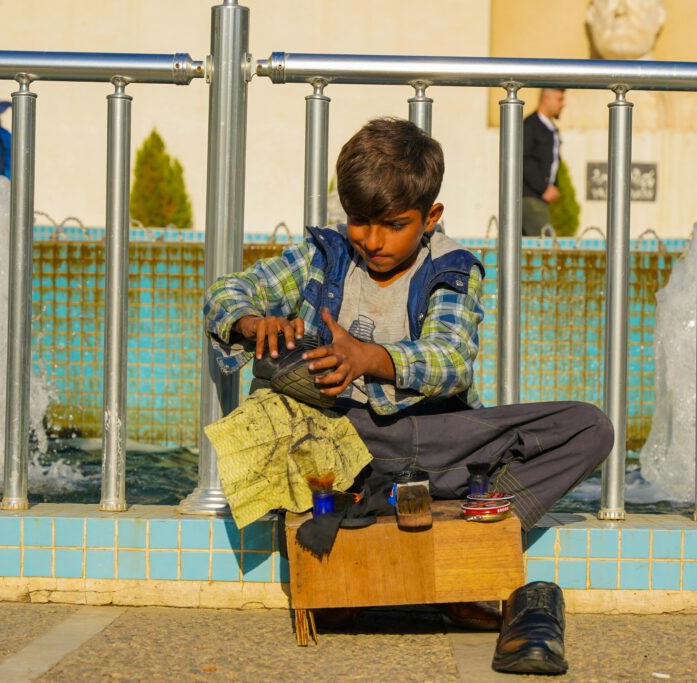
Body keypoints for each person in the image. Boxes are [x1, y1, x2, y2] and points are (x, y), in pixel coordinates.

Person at [204, 117, 612, 674]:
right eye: (359, 223)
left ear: (430, 218)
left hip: (434, 439)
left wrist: (369, 359)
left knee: (588, 427)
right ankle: (369, 541)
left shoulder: (451, 269)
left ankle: (469, 532)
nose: (372, 241)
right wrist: (253, 324)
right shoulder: (323, 256)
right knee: (282, 412)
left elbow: (450, 360)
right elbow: (229, 290)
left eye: (392, 225)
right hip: (346, 442)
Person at [522, 88, 566, 237]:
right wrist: (544, 188)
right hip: (529, 198)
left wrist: (555, 186)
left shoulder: (550, 127)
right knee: (547, 247)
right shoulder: (530, 125)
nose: (563, 104)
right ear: (546, 99)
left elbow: (553, 161)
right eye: (559, 99)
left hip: (538, 199)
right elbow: (522, 160)